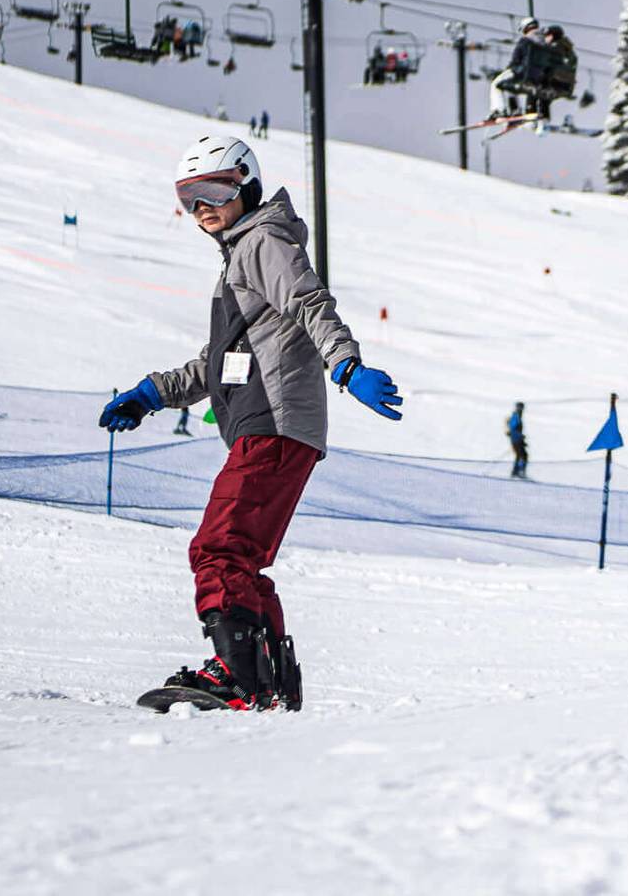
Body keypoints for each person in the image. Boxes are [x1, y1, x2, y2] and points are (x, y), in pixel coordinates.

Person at [98, 134, 403, 712]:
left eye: (214, 189)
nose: (202, 208)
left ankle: (237, 676)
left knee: (219, 548)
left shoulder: (261, 240)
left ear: (247, 182)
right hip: (271, 426)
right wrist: (152, 394)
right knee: (241, 557)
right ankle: (267, 682)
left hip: (273, 423)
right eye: (189, 198)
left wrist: (346, 366)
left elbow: (311, 304)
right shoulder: (242, 253)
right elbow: (223, 362)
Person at [488, 18, 544, 120]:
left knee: (496, 84)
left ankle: (499, 110)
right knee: (510, 85)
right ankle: (515, 110)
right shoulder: (544, 42)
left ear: (525, 28)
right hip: (537, 76)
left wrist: (508, 70)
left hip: (521, 72)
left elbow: (515, 60)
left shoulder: (524, 41)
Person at [507, 402, 529, 479]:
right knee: (522, 455)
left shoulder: (518, 416)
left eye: (522, 408)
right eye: (520, 408)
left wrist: (522, 439)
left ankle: (517, 471)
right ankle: (518, 472)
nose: (521, 409)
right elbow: (513, 428)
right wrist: (520, 436)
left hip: (517, 439)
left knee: (522, 455)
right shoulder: (516, 416)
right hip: (516, 439)